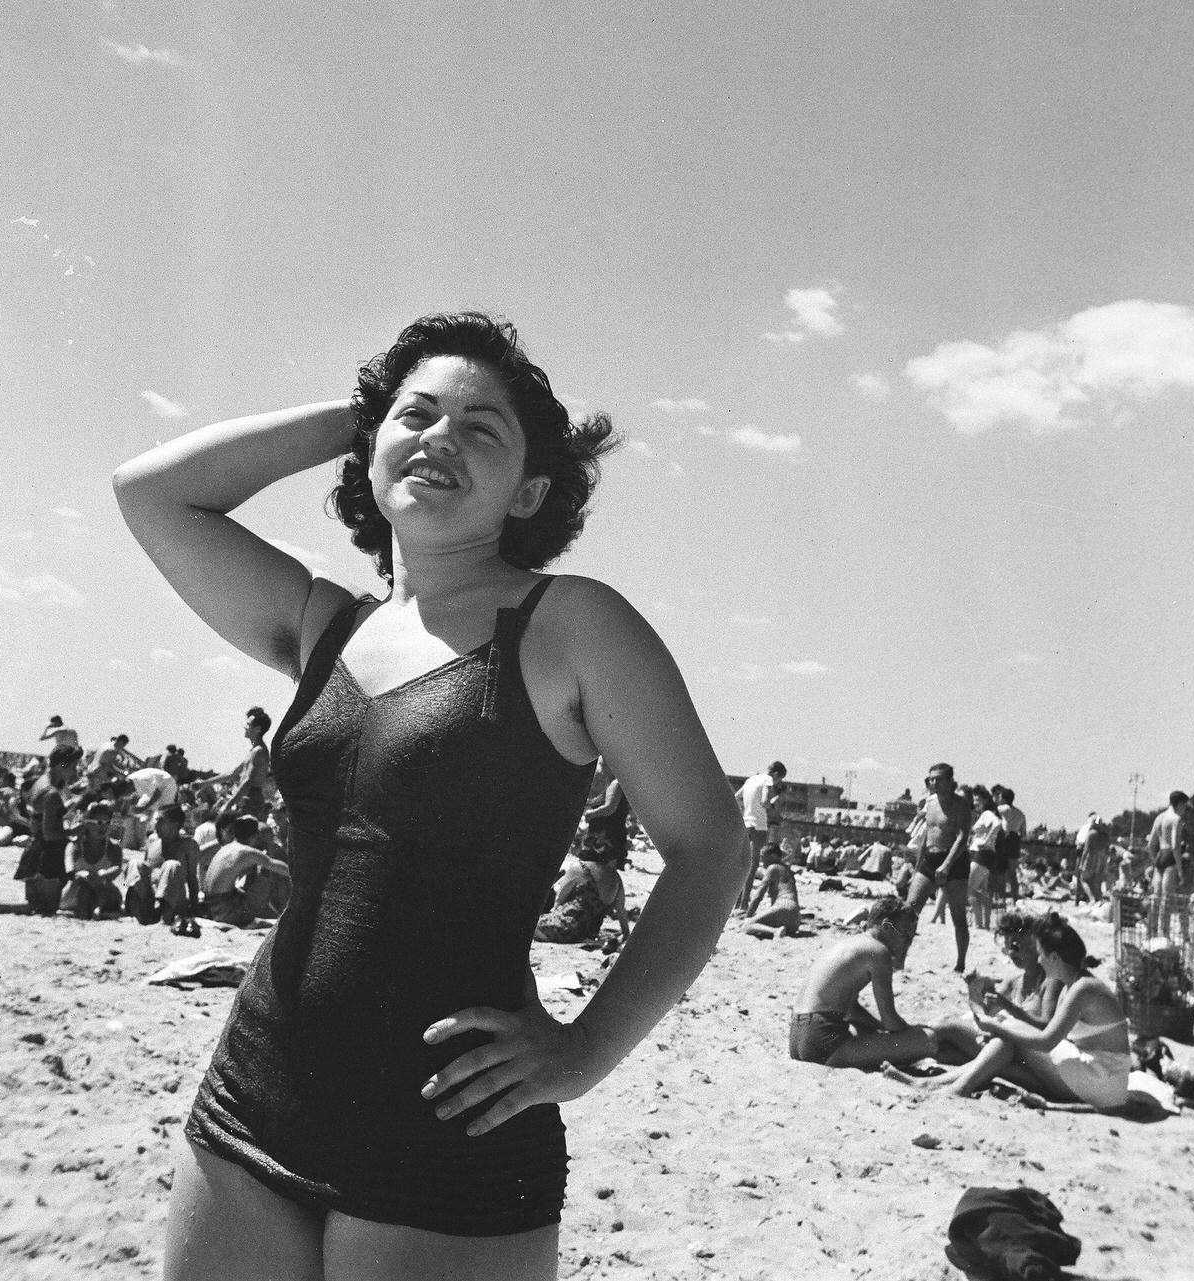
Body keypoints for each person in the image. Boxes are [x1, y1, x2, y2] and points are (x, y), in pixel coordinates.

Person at [115, 310, 748, 1280]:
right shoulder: (325, 624)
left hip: (451, 1124)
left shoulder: (569, 625)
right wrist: (373, 413)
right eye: (418, 416)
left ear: (530, 488)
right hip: (253, 1092)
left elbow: (710, 849)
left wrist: (585, 1051)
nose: (441, 436)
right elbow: (155, 493)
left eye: (480, 427)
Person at [887, 912, 1130, 1108]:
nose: (1041, 961)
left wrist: (996, 1027)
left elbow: (1046, 1041)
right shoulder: (1077, 984)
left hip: (1103, 1078)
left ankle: (952, 1088)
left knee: (1007, 1035)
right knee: (1002, 1058)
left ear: (1055, 958)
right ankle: (933, 1085)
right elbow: (1051, 1035)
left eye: (1043, 955)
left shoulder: (1082, 988)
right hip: (1103, 1081)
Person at [789, 897, 959, 1069]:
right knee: (929, 1039)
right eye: (905, 932)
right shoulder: (878, 951)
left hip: (799, 1039)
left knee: (890, 1038)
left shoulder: (851, 944)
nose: (908, 941)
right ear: (886, 926)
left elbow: (851, 1010)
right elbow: (891, 1021)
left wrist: (878, 1028)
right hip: (824, 1040)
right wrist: (910, 1033)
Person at [906, 763, 973, 972]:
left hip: (955, 861)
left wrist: (946, 865)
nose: (933, 782)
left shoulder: (961, 804)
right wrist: (918, 866)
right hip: (930, 858)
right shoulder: (930, 802)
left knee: (958, 916)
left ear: (950, 781)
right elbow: (927, 834)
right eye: (931, 778)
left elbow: (962, 837)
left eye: (938, 778)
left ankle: (960, 963)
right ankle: (900, 956)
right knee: (909, 911)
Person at [11, 744, 80, 914]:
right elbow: (50, 834)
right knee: (47, 907)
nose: (75, 771)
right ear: (62, 765)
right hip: (47, 854)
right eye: (73, 765)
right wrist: (73, 832)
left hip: (36, 849)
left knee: (39, 904)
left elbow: (40, 818)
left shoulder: (41, 782)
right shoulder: (52, 793)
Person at [202, 814, 292, 926]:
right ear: (255, 836)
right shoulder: (247, 852)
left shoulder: (227, 847)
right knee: (266, 872)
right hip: (225, 912)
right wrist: (301, 876)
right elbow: (277, 867)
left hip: (211, 908)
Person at [123, 804, 202, 928]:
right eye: (156, 821)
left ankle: (165, 919)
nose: (156, 825)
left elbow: (192, 879)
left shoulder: (188, 846)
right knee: (135, 863)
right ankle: (135, 916)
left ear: (175, 825)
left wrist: (195, 908)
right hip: (150, 899)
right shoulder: (152, 842)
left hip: (175, 900)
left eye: (161, 821)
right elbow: (143, 875)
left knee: (172, 865)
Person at [736, 760, 786, 911]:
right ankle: (744, 904)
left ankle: (737, 902)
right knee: (752, 866)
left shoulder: (751, 779)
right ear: (776, 774)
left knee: (744, 864)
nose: (777, 783)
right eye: (779, 780)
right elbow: (764, 801)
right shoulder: (768, 779)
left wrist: (747, 810)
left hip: (746, 823)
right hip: (759, 825)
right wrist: (771, 805)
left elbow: (737, 796)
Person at [61, 801, 125, 918]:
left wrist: (100, 875)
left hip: (103, 891)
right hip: (76, 892)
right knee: (85, 884)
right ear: (87, 823)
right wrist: (85, 875)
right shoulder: (74, 846)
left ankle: (95, 908)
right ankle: (94, 909)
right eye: (99, 822)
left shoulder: (114, 847)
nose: (103, 826)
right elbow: (70, 872)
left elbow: (117, 869)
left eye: (107, 822)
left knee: (101, 879)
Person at [210, 708, 274, 817]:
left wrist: (228, 804)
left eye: (248, 724)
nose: (245, 726)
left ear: (258, 729)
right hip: (246, 797)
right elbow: (232, 773)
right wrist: (204, 784)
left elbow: (248, 780)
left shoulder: (258, 751)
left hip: (250, 799)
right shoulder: (253, 751)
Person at [1148, 791, 1189, 929]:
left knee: (1155, 898)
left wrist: (1155, 862)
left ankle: (1151, 932)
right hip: (1171, 858)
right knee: (1167, 899)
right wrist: (1180, 869)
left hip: (1160, 856)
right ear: (1181, 804)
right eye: (1185, 806)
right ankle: (1164, 933)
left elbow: (1150, 845)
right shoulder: (1176, 819)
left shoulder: (1159, 818)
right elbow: (1175, 845)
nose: (1185, 810)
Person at [743, 844, 801, 937]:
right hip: (795, 918)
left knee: (747, 925)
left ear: (772, 856)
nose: (761, 860)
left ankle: (775, 931)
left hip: (784, 906)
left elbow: (758, 896)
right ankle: (777, 929)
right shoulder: (786, 868)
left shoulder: (773, 867)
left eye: (763, 856)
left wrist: (747, 917)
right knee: (759, 922)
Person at [967, 785, 999, 929]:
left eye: (978, 800)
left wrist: (986, 840)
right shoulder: (985, 813)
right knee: (980, 890)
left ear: (986, 800)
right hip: (986, 855)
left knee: (969, 888)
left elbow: (996, 824)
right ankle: (983, 924)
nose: (975, 803)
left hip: (982, 855)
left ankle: (980, 924)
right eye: (974, 800)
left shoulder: (987, 813)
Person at [991, 783, 1026, 905]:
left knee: (998, 870)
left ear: (1003, 798)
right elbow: (1024, 833)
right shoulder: (1020, 813)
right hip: (1015, 840)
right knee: (1012, 873)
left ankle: (999, 897)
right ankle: (1015, 898)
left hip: (1003, 839)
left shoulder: (1001, 809)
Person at [1074, 813, 1110, 904]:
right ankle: (1098, 900)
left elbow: (1086, 850)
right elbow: (1106, 852)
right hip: (1100, 861)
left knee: (1083, 880)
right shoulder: (1105, 836)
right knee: (1095, 883)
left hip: (1090, 860)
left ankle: (1091, 899)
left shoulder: (1091, 834)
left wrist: (1081, 863)